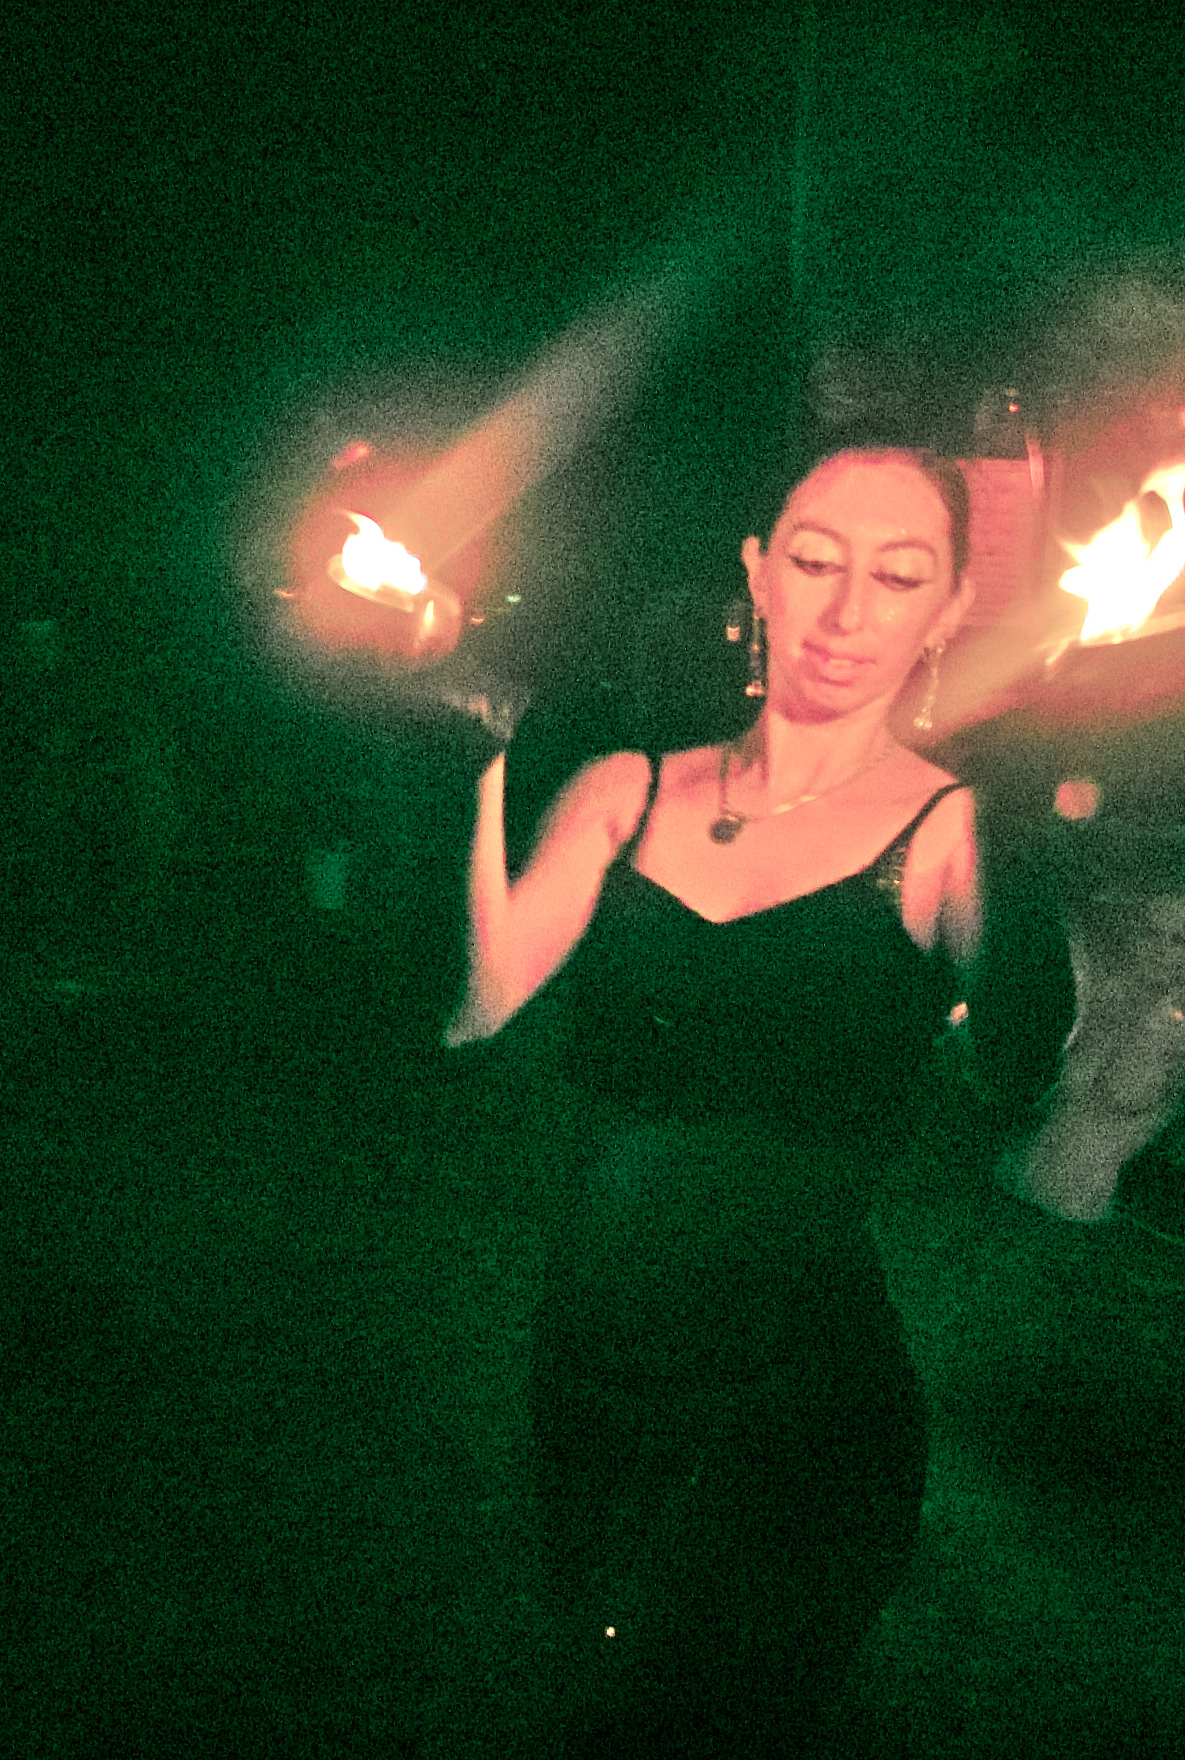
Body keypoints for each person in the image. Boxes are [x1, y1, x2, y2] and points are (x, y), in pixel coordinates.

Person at [445, 435, 1067, 1757]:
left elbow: (1018, 1068)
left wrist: (1030, 863)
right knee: (603, 1689)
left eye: (899, 576)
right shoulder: (623, 792)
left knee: (726, 1706)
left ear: (951, 608)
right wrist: (471, 768)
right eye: (817, 561)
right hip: (598, 1363)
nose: (847, 612)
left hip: (792, 1396)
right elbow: (475, 1006)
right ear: (759, 572)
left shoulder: (953, 833)